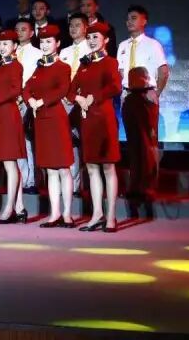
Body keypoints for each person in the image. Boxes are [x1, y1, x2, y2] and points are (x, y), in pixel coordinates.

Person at [70, 22, 121, 232]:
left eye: (96, 37)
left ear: (105, 40)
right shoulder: (84, 64)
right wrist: (79, 98)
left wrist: (94, 96)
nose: (91, 41)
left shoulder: (110, 62)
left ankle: (111, 217)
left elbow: (116, 86)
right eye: (89, 37)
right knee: (91, 168)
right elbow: (70, 90)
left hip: (104, 119)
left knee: (108, 167)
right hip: (87, 120)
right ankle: (97, 214)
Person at [116, 5, 169, 199]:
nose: (129, 21)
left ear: (144, 21)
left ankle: (148, 187)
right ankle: (134, 186)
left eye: (134, 17)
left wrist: (156, 93)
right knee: (133, 143)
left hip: (146, 95)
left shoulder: (152, 44)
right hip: (128, 96)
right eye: (128, 18)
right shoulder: (123, 46)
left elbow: (163, 71)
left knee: (148, 143)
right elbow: (120, 72)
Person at [25, 25, 74, 228]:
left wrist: (42, 101)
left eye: (48, 42)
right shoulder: (39, 67)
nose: (44, 45)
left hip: (56, 119)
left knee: (63, 168)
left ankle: (67, 214)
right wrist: (30, 100)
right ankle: (54, 214)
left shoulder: (63, 67)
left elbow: (62, 89)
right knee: (50, 170)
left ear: (58, 44)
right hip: (41, 121)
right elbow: (27, 88)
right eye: (42, 42)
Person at [0, 30, 27, 224]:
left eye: (6, 44)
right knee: (7, 164)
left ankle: (10, 208)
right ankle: (19, 207)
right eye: (0, 44)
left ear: (15, 46)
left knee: (11, 164)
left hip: (9, 116)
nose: (2, 47)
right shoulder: (0, 65)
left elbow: (16, 89)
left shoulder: (15, 65)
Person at [59, 12, 90, 194]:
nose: (73, 28)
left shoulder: (91, 49)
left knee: (87, 142)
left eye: (77, 25)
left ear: (86, 28)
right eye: (71, 25)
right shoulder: (64, 52)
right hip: (66, 102)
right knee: (70, 142)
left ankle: (90, 184)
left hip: (85, 102)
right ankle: (74, 186)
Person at [14, 18, 43, 194]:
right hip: (11, 100)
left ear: (32, 33)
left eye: (23, 29)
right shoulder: (10, 51)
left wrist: (25, 97)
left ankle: (32, 180)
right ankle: (21, 179)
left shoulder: (38, 53)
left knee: (28, 141)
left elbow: (36, 80)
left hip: (28, 100)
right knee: (15, 141)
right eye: (17, 29)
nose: (19, 33)